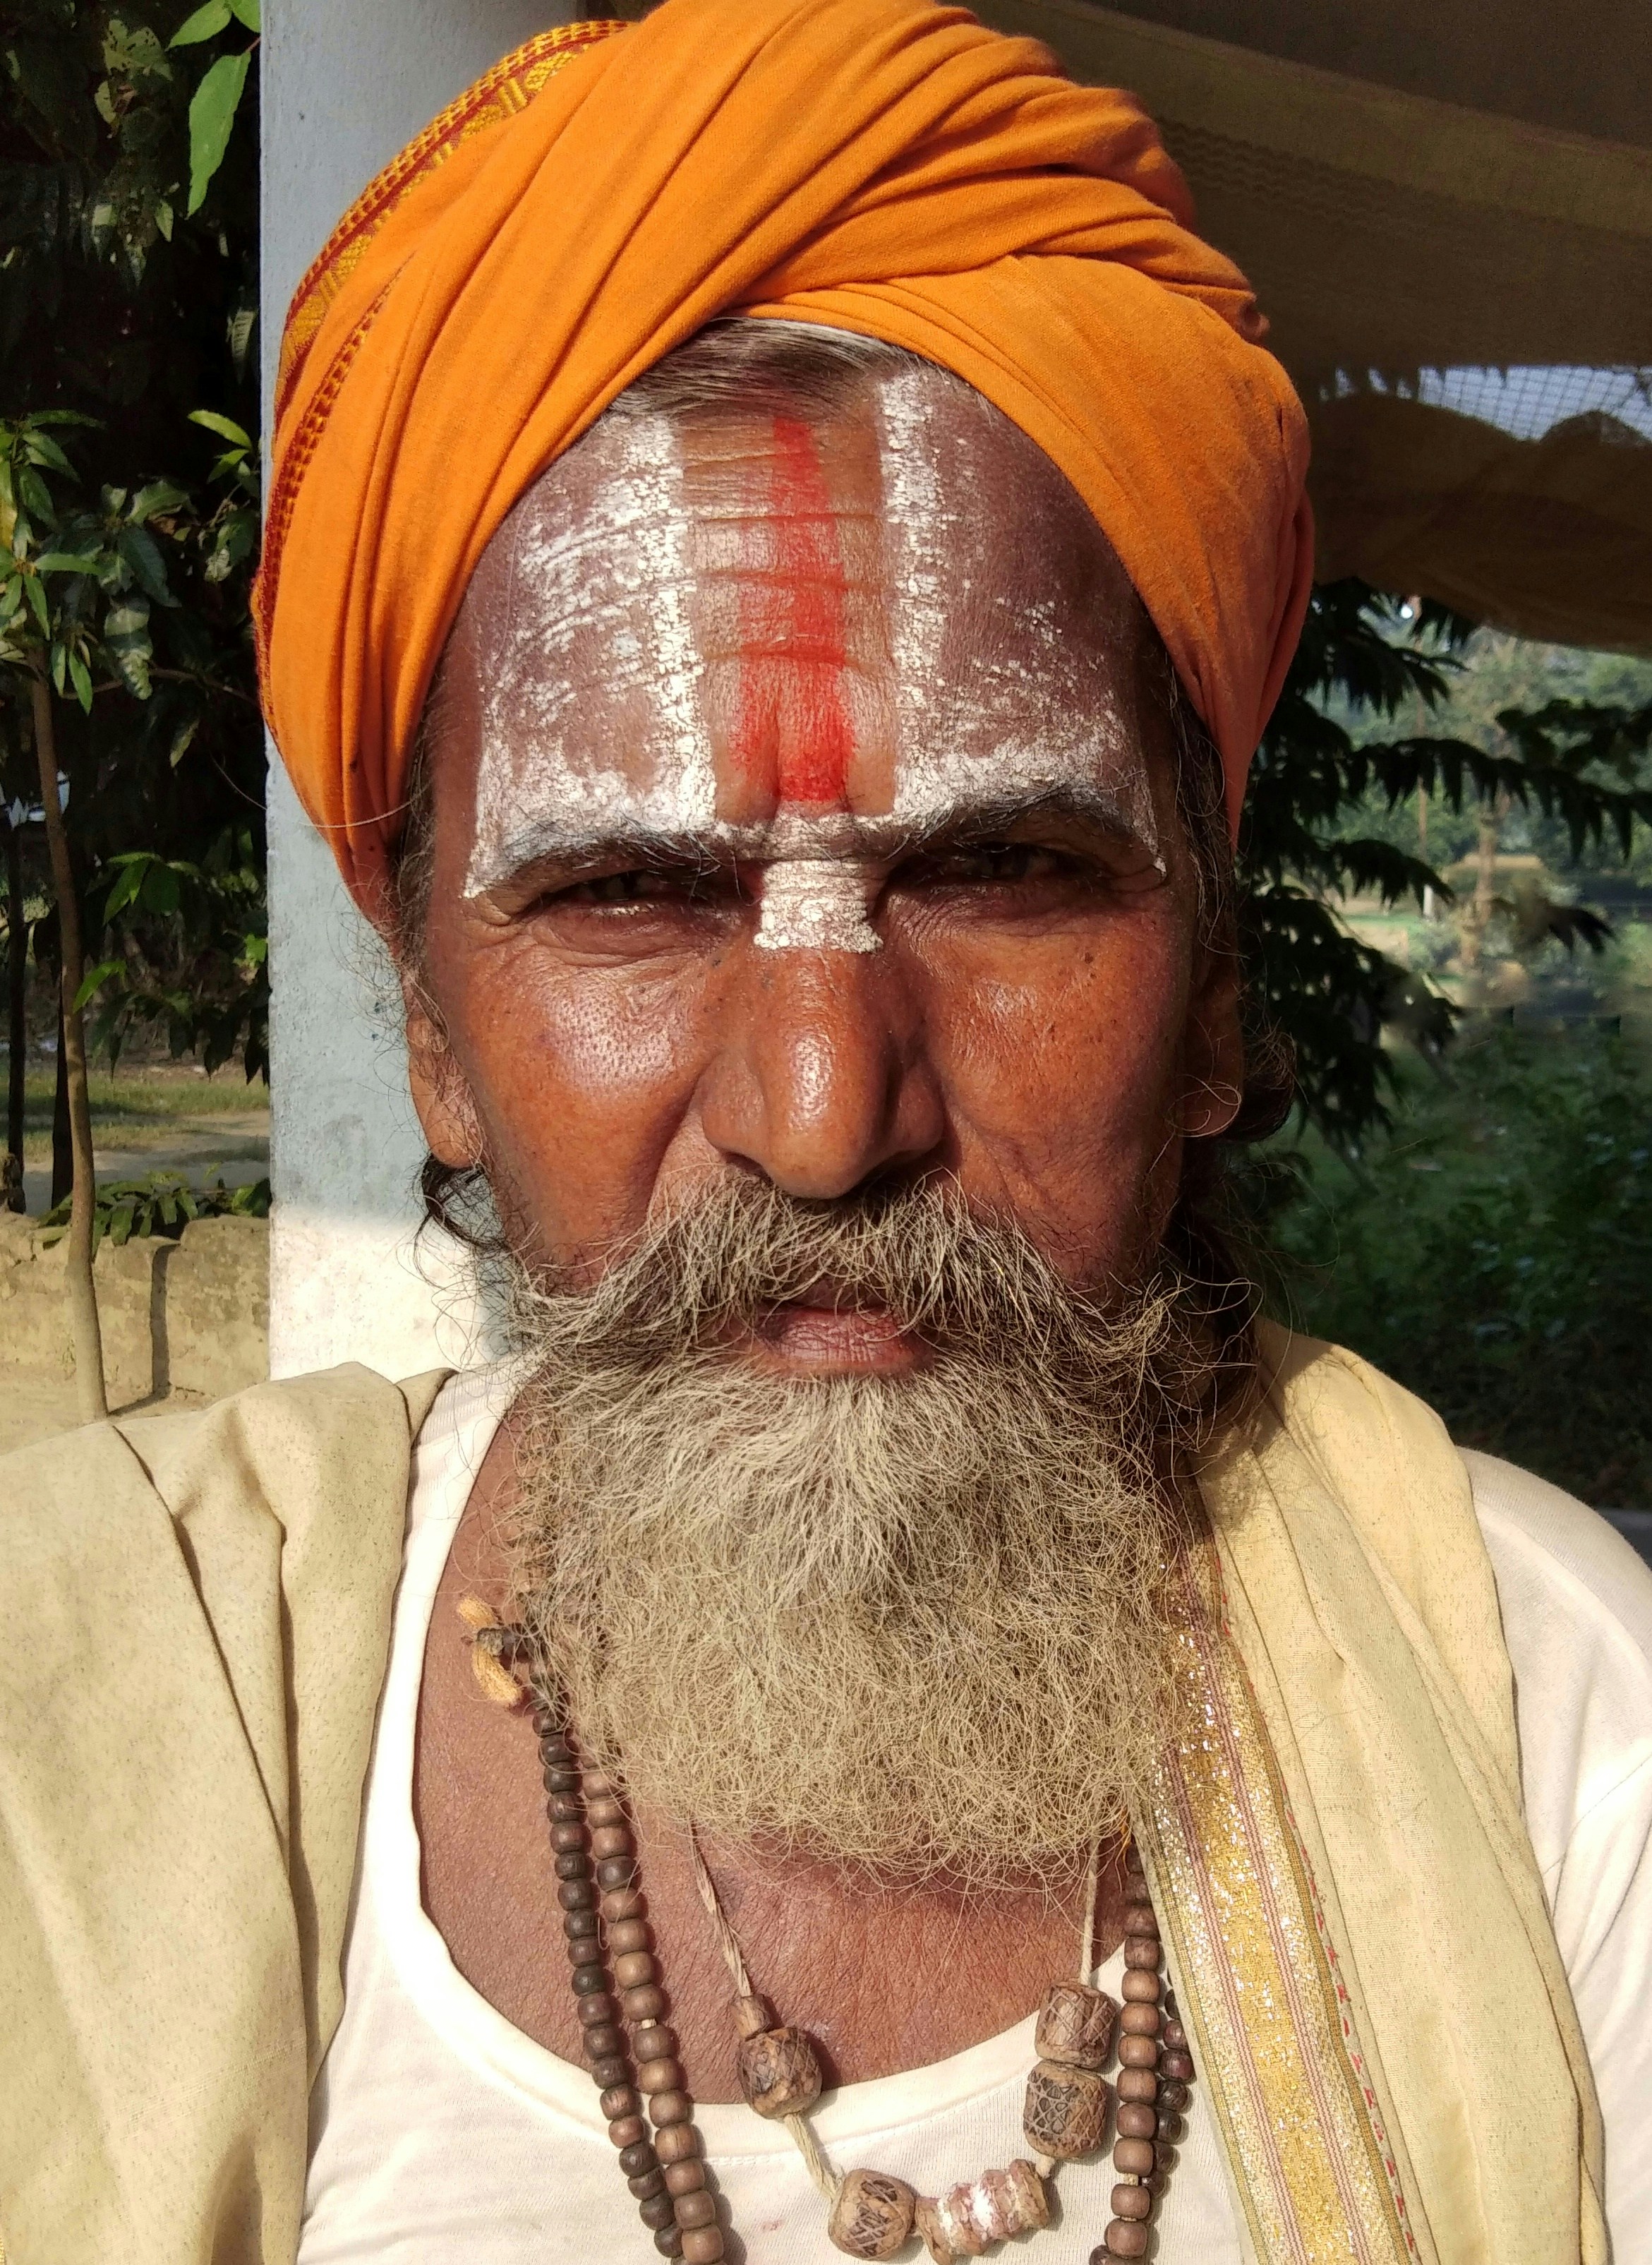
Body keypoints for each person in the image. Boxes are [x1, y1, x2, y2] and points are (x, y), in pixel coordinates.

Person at [3, 5, 1648, 2263]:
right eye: (629, 894)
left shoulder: (1557, 1732)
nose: (818, 1117)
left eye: (1000, 873)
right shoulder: (82, 1712)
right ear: (436, 1038)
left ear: (1213, 996)